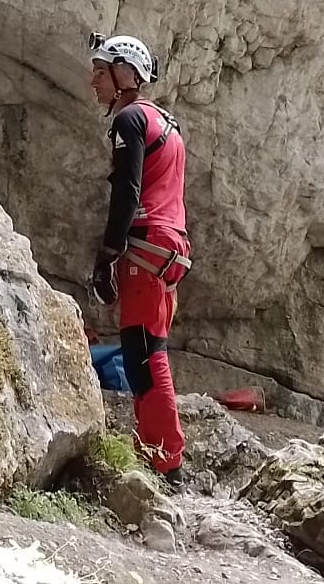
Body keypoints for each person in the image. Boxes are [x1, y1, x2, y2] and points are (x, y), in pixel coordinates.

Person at [85, 32, 193, 486]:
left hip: (146, 248)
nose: (93, 81)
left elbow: (126, 194)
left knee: (145, 354)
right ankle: (157, 449)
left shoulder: (129, 119)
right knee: (146, 348)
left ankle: (165, 460)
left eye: (100, 71)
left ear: (126, 74)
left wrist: (107, 255)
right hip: (169, 247)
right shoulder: (166, 123)